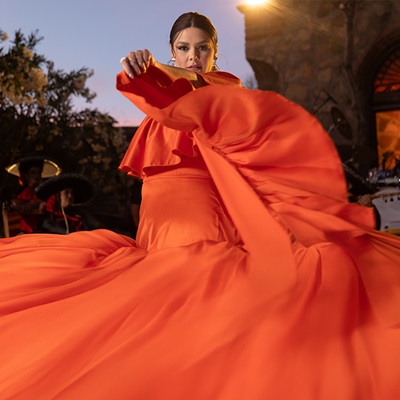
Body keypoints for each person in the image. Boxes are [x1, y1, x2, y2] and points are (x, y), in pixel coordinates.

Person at [0, 11, 399, 400]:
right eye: (183, 48)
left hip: (204, 213)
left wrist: (158, 68)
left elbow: (193, 83)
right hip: (159, 219)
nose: (193, 56)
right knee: (153, 308)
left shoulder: (222, 89)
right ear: (173, 49)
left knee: (204, 292)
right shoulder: (162, 106)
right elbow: (162, 108)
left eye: (202, 48)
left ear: (214, 51)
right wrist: (152, 74)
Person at [35, 173, 101, 234]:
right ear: (57, 196)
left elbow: (95, 228)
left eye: (72, 193)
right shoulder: (47, 216)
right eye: (66, 192)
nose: (70, 196)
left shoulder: (80, 214)